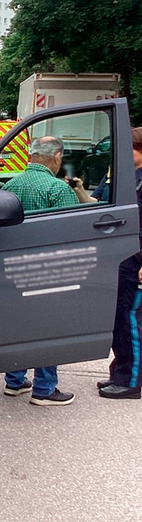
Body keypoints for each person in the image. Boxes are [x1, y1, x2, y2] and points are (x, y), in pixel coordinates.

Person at [2, 136, 81, 406]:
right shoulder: (58, 190)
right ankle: (45, 389)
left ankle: (14, 381)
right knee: (48, 328)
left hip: (13, 269)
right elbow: (70, 235)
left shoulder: (10, 185)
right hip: (47, 271)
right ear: (57, 156)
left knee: (17, 324)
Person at [98, 127, 142, 399]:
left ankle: (131, 381)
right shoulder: (130, 178)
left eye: (130, 148)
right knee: (119, 321)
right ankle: (119, 372)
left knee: (131, 323)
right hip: (123, 257)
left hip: (136, 261)